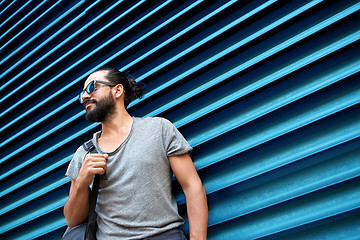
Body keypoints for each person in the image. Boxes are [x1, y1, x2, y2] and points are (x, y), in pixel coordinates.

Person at [63, 67, 208, 239]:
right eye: (82, 93)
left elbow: (192, 186)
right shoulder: (84, 154)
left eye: (91, 87)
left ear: (117, 90)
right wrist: (81, 182)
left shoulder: (158, 129)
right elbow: (73, 221)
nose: (85, 96)